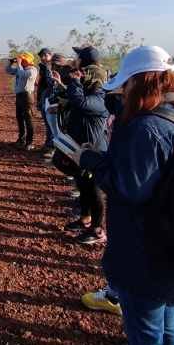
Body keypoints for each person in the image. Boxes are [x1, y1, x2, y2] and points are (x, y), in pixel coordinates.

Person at [71, 45, 174, 345]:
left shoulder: (145, 130)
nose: (122, 91)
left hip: (145, 253)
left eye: (127, 84)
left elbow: (128, 187)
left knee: (145, 338)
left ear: (140, 83)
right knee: (167, 325)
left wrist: (90, 161)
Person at [51, 64, 109, 244]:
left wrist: (75, 81)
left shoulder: (100, 98)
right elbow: (74, 98)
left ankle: (98, 230)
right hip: (80, 150)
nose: (81, 76)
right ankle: (85, 219)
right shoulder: (88, 94)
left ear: (94, 78)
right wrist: (63, 89)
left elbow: (81, 102)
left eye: (85, 74)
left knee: (94, 190)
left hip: (94, 151)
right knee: (82, 184)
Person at [6, 52, 38, 150]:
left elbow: (23, 75)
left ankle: (30, 142)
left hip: (27, 96)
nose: (21, 61)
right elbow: (8, 71)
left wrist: (19, 64)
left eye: (23, 60)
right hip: (19, 96)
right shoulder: (21, 69)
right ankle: (21, 139)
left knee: (28, 119)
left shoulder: (32, 70)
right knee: (19, 118)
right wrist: (11, 63)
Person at [36, 48, 54, 154]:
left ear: (50, 55)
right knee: (48, 124)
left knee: (50, 124)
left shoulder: (49, 67)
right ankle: (48, 145)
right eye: (41, 56)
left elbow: (50, 84)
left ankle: (50, 147)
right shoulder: (44, 67)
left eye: (45, 55)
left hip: (49, 99)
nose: (43, 58)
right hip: (44, 98)